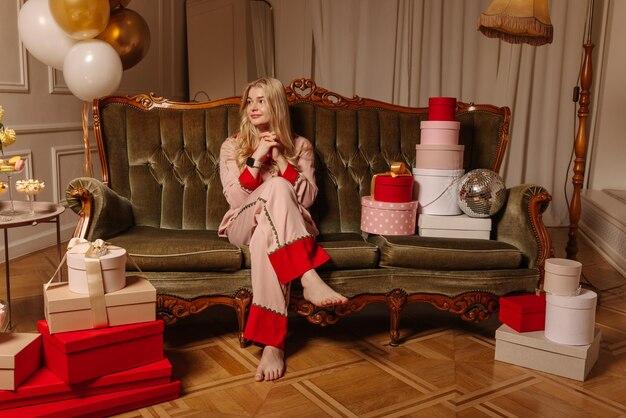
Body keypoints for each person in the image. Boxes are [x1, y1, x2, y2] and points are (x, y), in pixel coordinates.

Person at [218, 77, 347, 382]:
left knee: (267, 235)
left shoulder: (300, 146)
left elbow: (309, 198)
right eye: (249, 101)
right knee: (274, 188)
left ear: (275, 103)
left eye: (261, 100)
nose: (253, 107)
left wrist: (279, 157)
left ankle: (272, 344)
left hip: (279, 229)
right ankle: (308, 275)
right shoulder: (231, 145)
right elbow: (235, 198)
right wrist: (258, 156)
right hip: (241, 224)